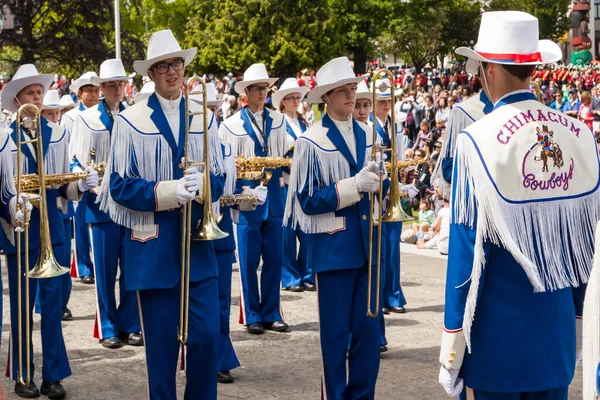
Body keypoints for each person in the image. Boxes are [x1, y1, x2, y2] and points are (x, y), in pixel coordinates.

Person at [439, 12, 596, 399]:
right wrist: (577, 320)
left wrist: (452, 342)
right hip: (556, 331)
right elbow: (584, 246)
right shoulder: (579, 134)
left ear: (489, 68)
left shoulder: (475, 141)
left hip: (497, 341)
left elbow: (465, 253)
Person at [98, 29, 225, 399]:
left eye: (177, 64)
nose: (172, 72)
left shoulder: (203, 114)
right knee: (161, 354)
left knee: (206, 338)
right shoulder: (130, 119)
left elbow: (218, 176)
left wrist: (203, 185)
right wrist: (167, 192)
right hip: (152, 251)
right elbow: (118, 187)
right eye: (162, 66)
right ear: (150, 75)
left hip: (198, 250)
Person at [284, 56, 389, 399]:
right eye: (343, 90)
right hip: (333, 249)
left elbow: (379, 187)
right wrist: (353, 186)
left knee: (368, 335)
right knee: (334, 336)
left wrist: (385, 185)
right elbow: (307, 200)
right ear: (325, 97)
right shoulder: (310, 140)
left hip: (368, 246)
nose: (351, 96)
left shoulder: (370, 133)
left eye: (353, 88)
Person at [0, 64, 98, 399]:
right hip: (20, 233)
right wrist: (12, 204)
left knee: (53, 309)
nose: (37, 99)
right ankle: (23, 374)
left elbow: (63, 188)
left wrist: (79, 185)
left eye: (39, 93)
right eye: (30, 93)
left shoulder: (57, 133)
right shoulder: (2, 139)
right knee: (21, 309)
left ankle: (53, 374)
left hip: (54, 232)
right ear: (17, 98)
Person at [70, 58, 142, 349]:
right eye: (110, 85)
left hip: (129, 204)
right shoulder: (86, 118)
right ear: (100, 88)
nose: (115, 89)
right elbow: (75, 159)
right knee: (104, 269)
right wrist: (83, 178)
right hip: (99, 206)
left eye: (119, 84)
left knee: (131, 267)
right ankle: (108, 326)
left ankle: (130, 323)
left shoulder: (135, 116)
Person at [219, 63, 291, 335]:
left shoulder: (279, 120)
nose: (263, 92)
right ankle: (251, 313)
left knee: (274, 257)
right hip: (247, 196)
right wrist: (239, 191)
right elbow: (226, 166)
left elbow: (284, 158)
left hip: (274, 196)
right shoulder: (230, 125)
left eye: (265, 88)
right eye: (257, 88)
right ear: (246, 92)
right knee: (248, 259)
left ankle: (272, 311)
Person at [189, 85, 241, 384]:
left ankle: (220, 358)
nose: (210, 113)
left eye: (213, 107)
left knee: (220, 303)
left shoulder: (226, 142)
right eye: (203, 108)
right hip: (191, 229)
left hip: (220, 229)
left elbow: (226, 192)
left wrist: (247, 196)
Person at [272, 77, 313, 292]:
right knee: (287, 231)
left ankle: (307, 272)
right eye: (291, 98)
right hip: (287, 179)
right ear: (283, 101)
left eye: (298, 97)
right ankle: (289, 276)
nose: (296, 101)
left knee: (307, 230)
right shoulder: (278, 122)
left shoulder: (305, 121)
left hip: (305, 180)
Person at [370, 78, 407, 315]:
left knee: (393, 247)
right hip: (375, 189)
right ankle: (379, 295)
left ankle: (393, 294)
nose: (386, 105)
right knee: (378, 247)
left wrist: (400, 184)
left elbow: (400, 157)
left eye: (389, 101)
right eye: (382, 101)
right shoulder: (368, 126)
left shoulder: (397, 125)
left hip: (392, 188)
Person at [61, 71, 100, 285]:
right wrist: (76, 173)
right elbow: (66, 147)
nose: (95, 95)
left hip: (101, 175)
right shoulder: (71, 117)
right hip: (80, 174)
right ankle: (85, 265)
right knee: (82, 222)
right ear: (79, 94)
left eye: (97, 91)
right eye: (90, 91)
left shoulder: (104, 114)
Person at [41, 89, 74, 321]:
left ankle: (61, 303)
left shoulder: (61, 134)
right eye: (49, 114)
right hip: (35, 209)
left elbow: (64, 171)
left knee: (62, 258)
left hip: (59, 206)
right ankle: (44, 304)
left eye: (56, 113)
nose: (54, 118)